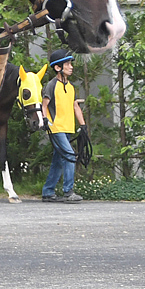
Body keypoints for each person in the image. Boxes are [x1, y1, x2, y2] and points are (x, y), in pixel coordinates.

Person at [41, 47, 87, 202]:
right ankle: (68, 192)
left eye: (71, 64)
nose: (71, 67)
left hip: (68, 128)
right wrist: (45, 120)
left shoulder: (71, 87)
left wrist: (83, 125)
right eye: (67, 64)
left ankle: (48, 192)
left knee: (58, 160)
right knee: (69, 156)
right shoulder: (51, 85)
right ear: (57, 67)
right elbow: (44, 105)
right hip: (56, 128)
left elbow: (75, 106)